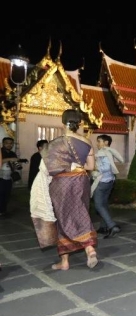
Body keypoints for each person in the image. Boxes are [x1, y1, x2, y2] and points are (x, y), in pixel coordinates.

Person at [37, 109, 98, 270]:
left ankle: (73, 257)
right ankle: (82, 252)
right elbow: (91, 166)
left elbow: (46, 168)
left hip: (62, 183)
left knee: (62, 218)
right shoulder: (87, 141)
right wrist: (77, 166)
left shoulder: (55, 143)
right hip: (81, 181)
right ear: (79, 123)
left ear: (63, 122)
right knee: (80, 212)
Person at [91, 134, 124, 238]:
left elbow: (105, 167)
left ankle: (112, 226)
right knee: (104, 204)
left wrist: (94, 167)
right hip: (109, 181)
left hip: (102, 182)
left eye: (99, 141)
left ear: (106, 142)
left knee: (98, 205)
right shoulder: (109, 151)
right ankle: (103, 226)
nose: (97, 143)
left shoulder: (103, 152)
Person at [0, 137, 27, 217]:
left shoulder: (12, 153)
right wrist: (11, 159)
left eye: (11, 143)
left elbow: (14, 164)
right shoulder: (1, 152)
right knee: (1, 194)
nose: (9, 145)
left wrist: (17, 164)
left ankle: (3, 211)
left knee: (7, 195)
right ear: (3, 143)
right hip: (0, 177)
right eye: (7, 143)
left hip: (8, 177)